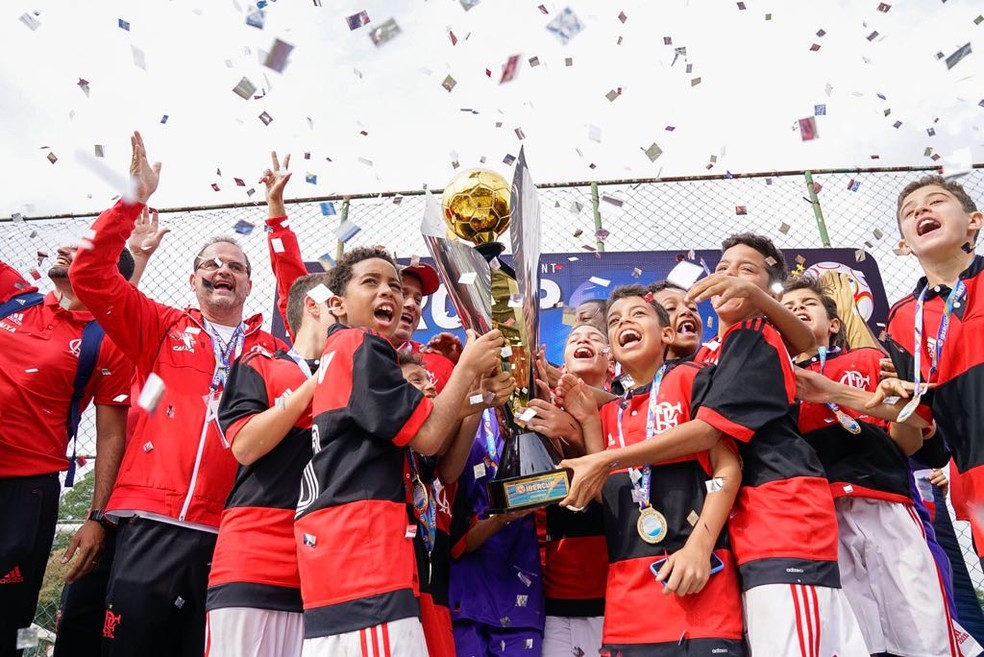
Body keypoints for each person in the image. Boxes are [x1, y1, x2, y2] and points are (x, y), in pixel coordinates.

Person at [559, 233, 868, 656]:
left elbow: (713, 439)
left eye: (747, 272)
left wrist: (700, 544)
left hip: (777, 519)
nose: (730, 277)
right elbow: (608, 473)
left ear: (666, 334)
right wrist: (588, 413)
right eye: (723, 268)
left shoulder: (742, 343)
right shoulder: (703, 361)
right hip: (670, 580)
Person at [69, 131, 284, 657]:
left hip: (234, 530)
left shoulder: (271, 348)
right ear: (192, 281)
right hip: (151, 522)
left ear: (249, 286)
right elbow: (90, 275)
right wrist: (132, 198)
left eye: (235, 265)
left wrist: (277, 219)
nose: (222, 271)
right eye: (211, 264)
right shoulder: (162, 327)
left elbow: (312, 313)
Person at [294, 245, 504, 655]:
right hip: (362, 542)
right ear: (336, 304)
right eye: (370, 282)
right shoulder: (361, 343)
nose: (389, 293)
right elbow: (427, 436)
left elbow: (431, 430)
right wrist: (466, 366)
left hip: (349, 544)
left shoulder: (351, 351)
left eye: (395, 285)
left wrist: (479, 399)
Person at [561, 284, 745, 655]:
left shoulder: (691, 378)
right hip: (628, 605)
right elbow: (604, 493)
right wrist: (588, 422)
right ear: (611, 348)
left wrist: (699, 546)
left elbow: (728, 465)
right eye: (614, 321)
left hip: (699, 583)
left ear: (666, 334)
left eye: (637, 314)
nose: (624, 322)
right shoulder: (609, 412)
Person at [783, 275, 958, 656]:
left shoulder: (867, 359)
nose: (796, 310)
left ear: (833, 324)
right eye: (787, 307)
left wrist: (894, 407)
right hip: (820, 511)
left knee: (919, 622)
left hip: (885, 497)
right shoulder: (775, 382)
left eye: (807, 304)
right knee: (857, 633)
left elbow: (909, 439)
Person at [0, 248, 133, 657]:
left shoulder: (106, 340)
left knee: (10, 619)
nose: (64, 249)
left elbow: (112, 435)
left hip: (26, 493)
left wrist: (98, 517)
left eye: (83, 249)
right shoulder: (14, 296)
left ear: (103, 271)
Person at [204, 272, 335, 657]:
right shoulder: (260, 363)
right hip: (254, 561)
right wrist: (316, 382)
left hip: (324, 569)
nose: (348, 311)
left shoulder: (360, 375)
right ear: (313, 306)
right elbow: (245, 446)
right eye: (337, 302)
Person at [886, 175, 984, 571]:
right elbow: (923, 444)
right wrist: (897, 403)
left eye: (936, 202)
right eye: (909, 213)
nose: (921, 211)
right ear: (904, 244)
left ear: (974, 221)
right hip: (976, 482)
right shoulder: (903, 318)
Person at [526, 324, 612, 657]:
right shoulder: (544, 413)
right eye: (574, 338)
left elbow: (611, 493)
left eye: (593, 337)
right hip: (559, 595)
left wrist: (576, 433)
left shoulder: (628, 411)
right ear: (561, 365)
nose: (583, 341)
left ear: (610, 361)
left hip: (617, 588)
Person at [448, 409, 546, 657]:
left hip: (521, 592)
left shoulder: (533, 407)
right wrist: (501, 517)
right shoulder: (463, 410)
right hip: (468, 592)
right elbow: (458, 536)